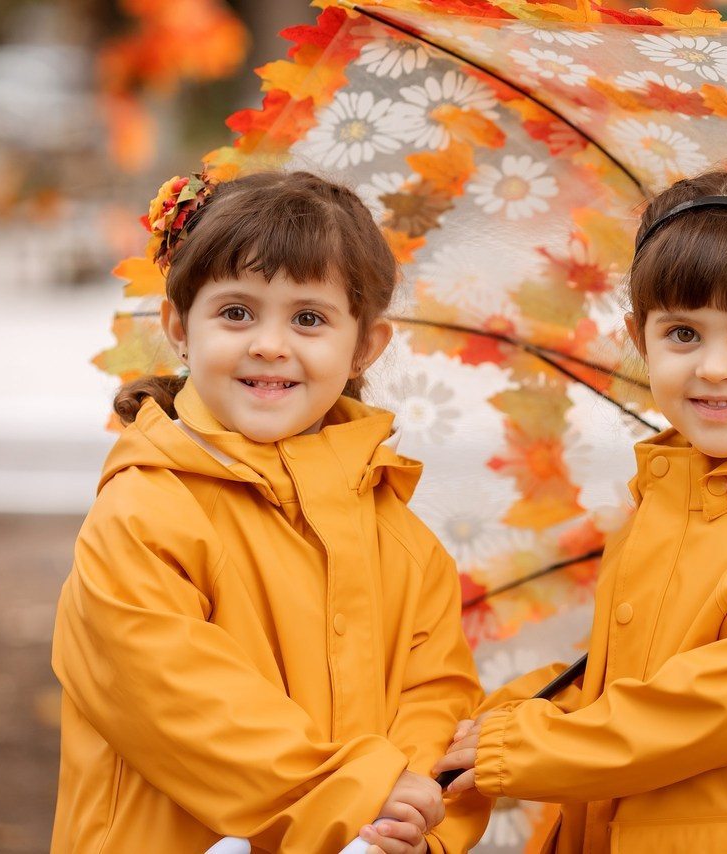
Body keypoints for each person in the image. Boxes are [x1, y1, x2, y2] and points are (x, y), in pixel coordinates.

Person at [433, 169, 727, 853]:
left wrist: (521, 745)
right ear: (641, 338)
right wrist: (493, 723)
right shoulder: (672, 504)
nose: (715, 367)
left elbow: (716, 709)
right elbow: (620, 684)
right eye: (684, 334)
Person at [52, 170, 490, 854]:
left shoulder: (404, 545)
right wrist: (360, 790)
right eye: (236, 312)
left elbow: (438, 698)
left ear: (364, 347)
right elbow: (176, 702)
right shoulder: (143, 515)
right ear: (179, 328)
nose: (269, 344)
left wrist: (406, 824)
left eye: (308, 318)